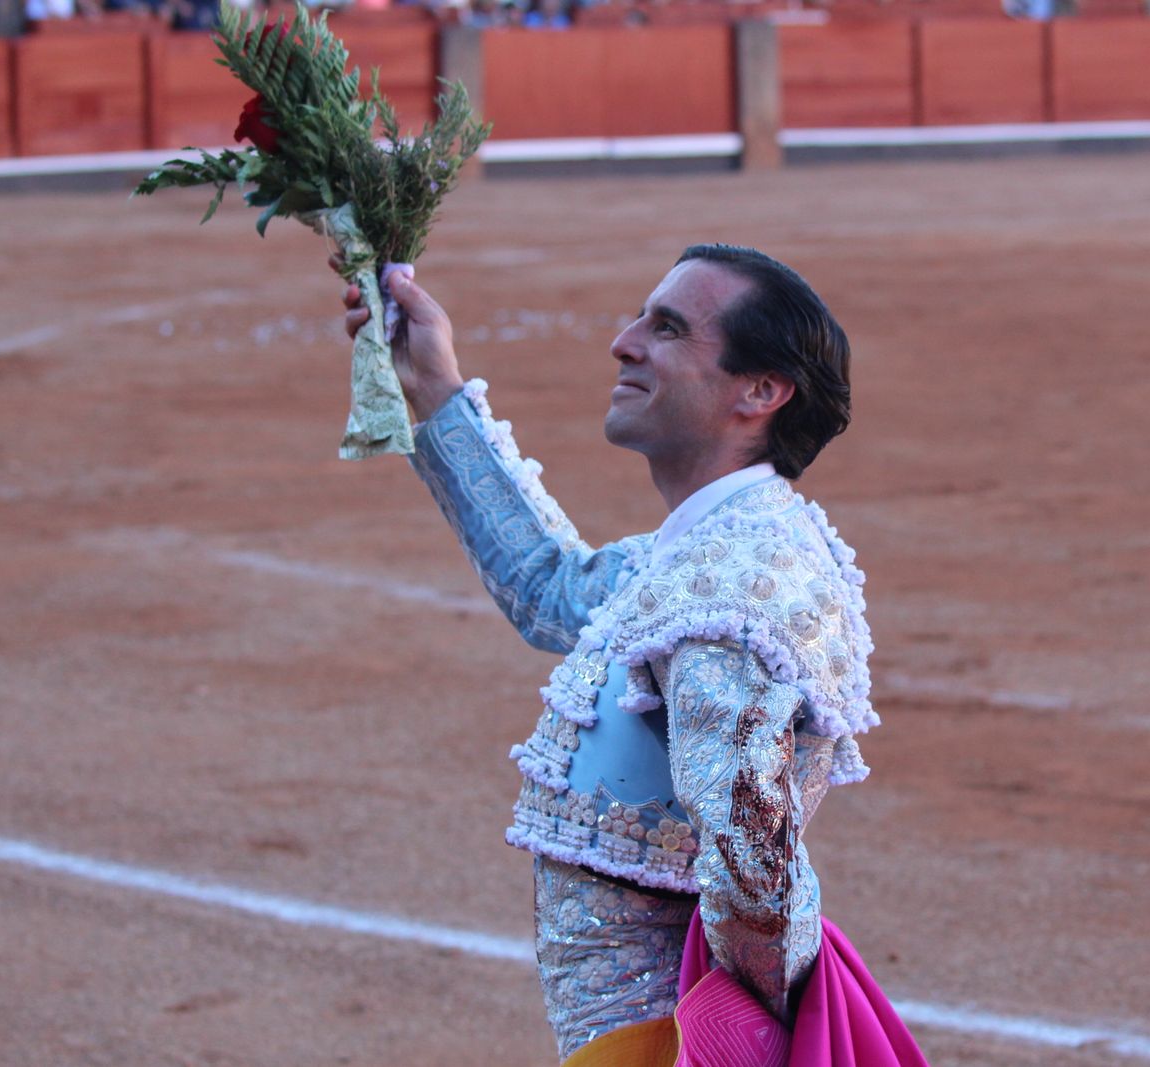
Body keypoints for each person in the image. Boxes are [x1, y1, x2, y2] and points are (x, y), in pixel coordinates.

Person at [336, 245, 924, 1065]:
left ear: (760, 392)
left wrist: (735, 1047)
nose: (625, 342)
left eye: (669, 328)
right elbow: (551, 588)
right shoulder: (709, 552)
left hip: (663, 1037)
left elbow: (753, 863)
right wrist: (433, 387)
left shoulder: (732, 586)